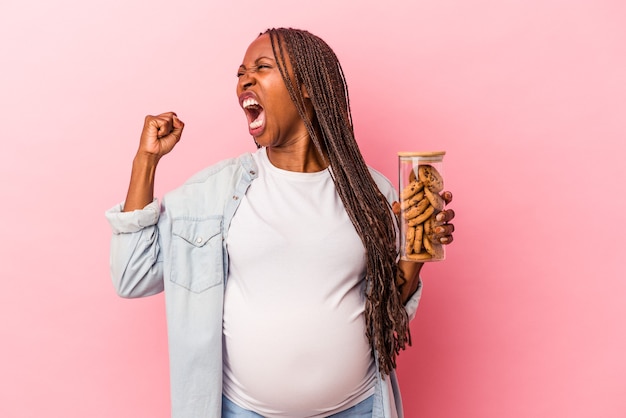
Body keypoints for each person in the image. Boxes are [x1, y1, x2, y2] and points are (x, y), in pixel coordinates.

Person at [105, 27, 455, 418]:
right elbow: (132, 276)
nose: (244, 80)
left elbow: (386, 311)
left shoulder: (371, 192)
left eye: (262, 67)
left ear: (306, 86)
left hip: (358, 407)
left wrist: (415, 248)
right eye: (240, 73)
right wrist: (145, 162)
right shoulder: (215, 192)